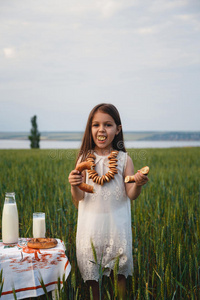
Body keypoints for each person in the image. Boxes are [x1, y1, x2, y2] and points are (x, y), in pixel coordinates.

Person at [68, 103, 148, 299]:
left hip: (117, 228)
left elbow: (130, 193)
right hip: (90, 230)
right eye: (96, 125)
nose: (101, 129)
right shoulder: (83, 159)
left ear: (117, 129)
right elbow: (79, 199)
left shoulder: (124, 159)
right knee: (92, 279)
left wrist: (137, 183)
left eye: (108, 125)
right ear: (90, 129)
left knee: (119, 276)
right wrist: (73, 185)